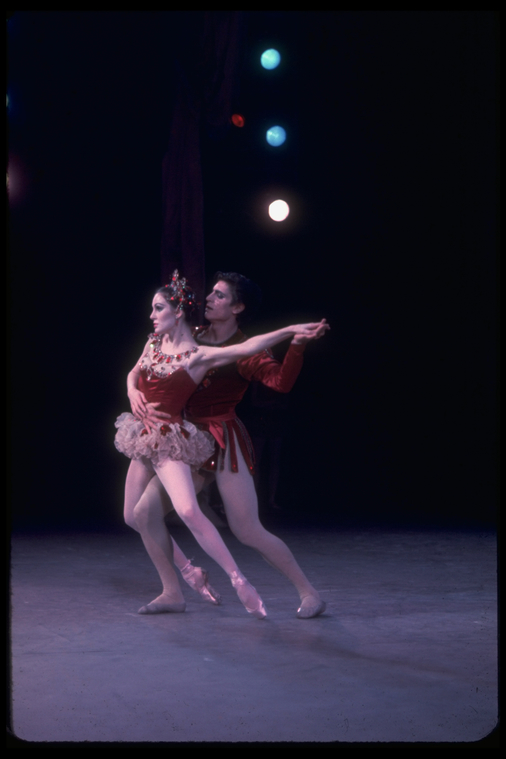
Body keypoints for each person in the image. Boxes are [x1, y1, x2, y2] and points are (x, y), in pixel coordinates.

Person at [116, 271, 328, 619]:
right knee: (142, 513)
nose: (209, 300)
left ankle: (309, 592)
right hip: (180, 436)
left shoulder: (246, 352)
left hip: (221, 439)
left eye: (219, 296)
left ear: (238, 307)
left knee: (247, 529)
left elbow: (280, 381)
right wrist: (134, 388)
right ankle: (173, 590)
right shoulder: (190, 336)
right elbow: (146, 365)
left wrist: (297, 342)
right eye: (210, 294)